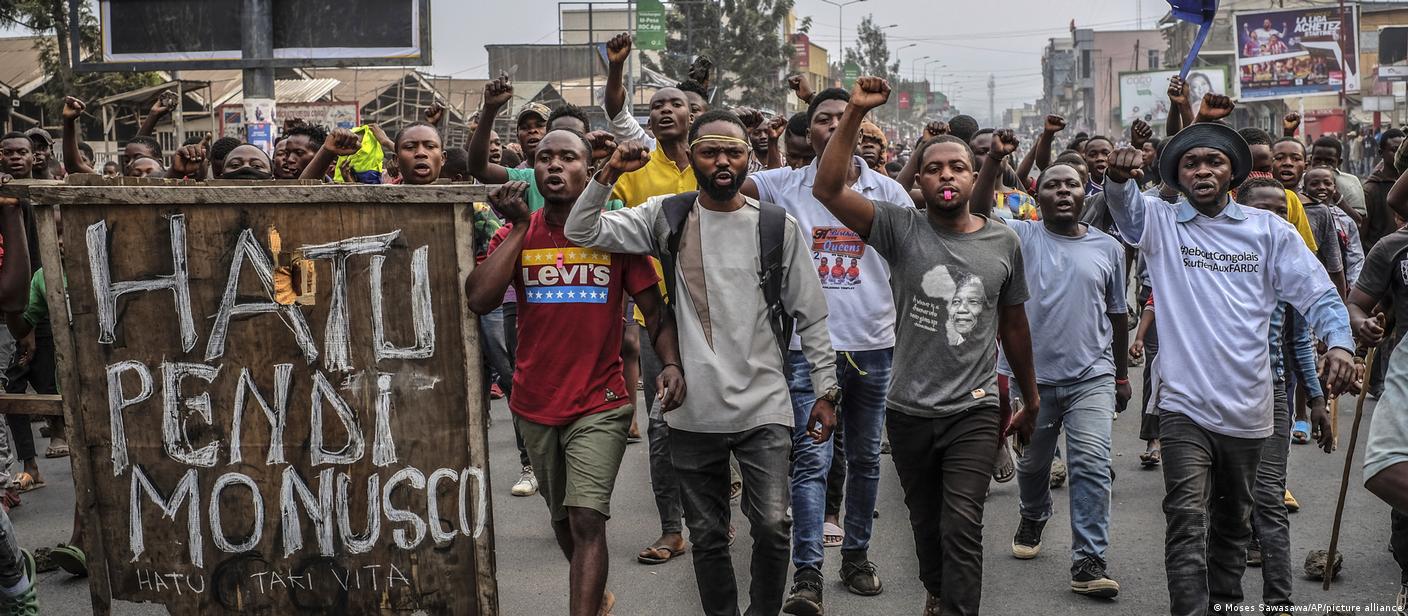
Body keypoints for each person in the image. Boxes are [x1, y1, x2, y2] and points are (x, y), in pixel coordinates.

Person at [567, 112, 840, 616]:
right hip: (692, 410)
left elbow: (813, 315)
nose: (722, 162)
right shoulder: (665, 216)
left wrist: (826, 391)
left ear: (749, 158)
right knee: (708, 534)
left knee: (773, 525)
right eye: (710, 152)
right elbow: (582, 228)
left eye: (733, 152)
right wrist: (610, 171)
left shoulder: (776, 226)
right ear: (692, 156)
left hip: (765, 407)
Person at [1101, 109, 1357, 615]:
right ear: (1178, 175)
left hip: (1249, 409)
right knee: (1184, 518)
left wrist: (1341, 345)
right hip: (1183, 405)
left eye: (1213, 161)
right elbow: (1126, 210)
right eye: (1190, 163)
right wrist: (1117, 175)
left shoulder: (1269, 231)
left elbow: (1319, 294)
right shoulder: (1161, 223)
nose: (1202, 170)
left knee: (1233, 523)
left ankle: (1225, 603)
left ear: (1232, 172)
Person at [811, 77, 1040, 616]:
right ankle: (936, 590)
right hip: (909, 409)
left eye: (957, 167)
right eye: (934, 168)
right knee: (926, 522)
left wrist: (1030, 400)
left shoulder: (1003, 240)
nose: (946, 175)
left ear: (973, 176)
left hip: (974, 409)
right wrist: (854, 113)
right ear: (920, 178)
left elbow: (1014, 326)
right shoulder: (899, 228)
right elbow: (828, 190)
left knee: (962, 523)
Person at [467, 126, 685, 616]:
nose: (554, 165)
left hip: (600, 401)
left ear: (589, 170)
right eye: (545, 158)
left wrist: (670, 363)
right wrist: (518, 229)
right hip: (534, 402)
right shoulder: (518, 230)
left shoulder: (615, 233)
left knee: (587, 518)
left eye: (568, 157)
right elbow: (479, 299)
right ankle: (595, 596)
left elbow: (654, 310)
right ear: (533, 169)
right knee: (562, 519)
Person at [741, 85, 912, 612]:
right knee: (811, 460)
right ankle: (808, 573)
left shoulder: (889, 192)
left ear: (862, 127)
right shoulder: (780, 185)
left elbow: (912, 264)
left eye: (844, 117)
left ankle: (856, 557)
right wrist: (742, 136)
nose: (835, 126)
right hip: (807, 351)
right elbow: (718, 182)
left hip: (875, 347)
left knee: (865, 459)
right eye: (823, 118)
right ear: (806, 129)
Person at [973, 131, 1127, 599]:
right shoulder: (1019, 236)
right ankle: (1034, 513)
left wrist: (1121, 375)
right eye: (1052, 185)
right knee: (1034, 465)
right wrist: (993, 161)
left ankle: (1088, 560)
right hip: (1031, 381)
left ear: (1084, 195)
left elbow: (1117, 314)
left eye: (1071, 185)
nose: (1063, 191)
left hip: (1091, 376)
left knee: (1092, 464)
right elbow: (978, 210)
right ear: (1035, 196)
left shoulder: (1108, 248)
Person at [1236, 176, 1332, 612]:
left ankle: (1279, 599)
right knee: (1222, 500)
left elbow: (1297, 342)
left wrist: (1316, 400)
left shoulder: (1292, 268)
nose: (1274, 219)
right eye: (1263, 209)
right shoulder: (1213, 261)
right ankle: (1221, 595)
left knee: (1269, 497)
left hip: (1271, 392)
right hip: (1212, 395)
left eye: (1282, 211)